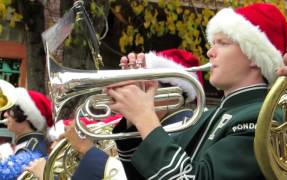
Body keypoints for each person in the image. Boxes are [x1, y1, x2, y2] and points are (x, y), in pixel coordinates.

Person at [106, 3, 287, 179]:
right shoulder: (204, 117)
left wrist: (144, 117)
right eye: (213, 43)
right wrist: (133, 121)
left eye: (223, 43)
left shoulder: (264, 118)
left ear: (254, 56)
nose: (210, 52)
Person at [25, 49, 205, 180]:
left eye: (142, 85)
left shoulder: (182, 129)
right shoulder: (144, 128)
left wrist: (88, 151)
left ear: (172, 91)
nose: (128, 90)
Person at [0, 87, 52, 180]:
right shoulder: (31, 142)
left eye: (9, 110)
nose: (5, 115)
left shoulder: (32, 147)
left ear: (24, 115)